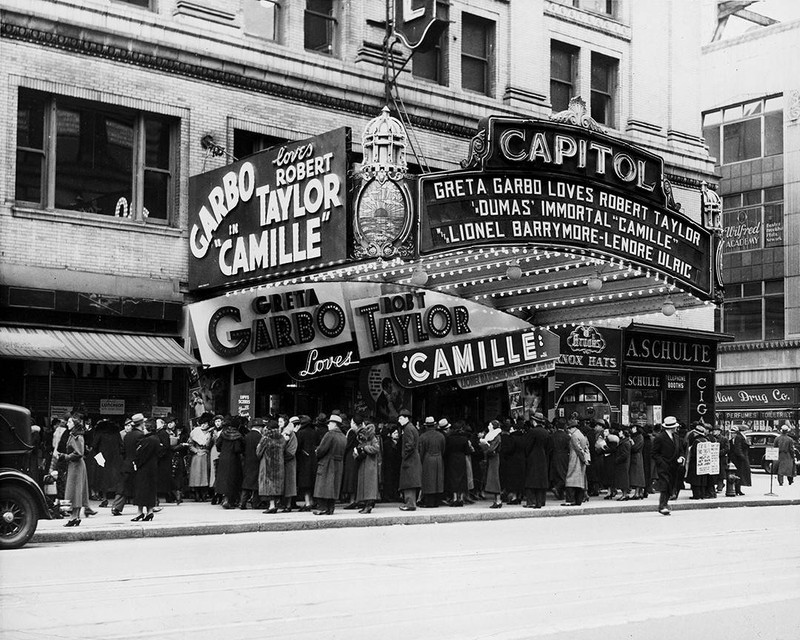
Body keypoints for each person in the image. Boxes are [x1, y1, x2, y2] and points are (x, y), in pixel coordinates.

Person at [62, 416, 96, 526]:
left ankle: (74, 517)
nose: (67, 423)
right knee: (76, 491)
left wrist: (66, 457)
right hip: (75, 466)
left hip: (76, 466)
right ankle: (75, 516)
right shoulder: (74, 435)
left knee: (75, 491)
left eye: (69, 422)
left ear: (74, 424)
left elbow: (79, 453)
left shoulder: (77, 437)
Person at [111, 413, 145, 516]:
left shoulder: (127, 435)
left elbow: (123, 451)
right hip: (136, 464)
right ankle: (150, 505)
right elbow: (141, 452)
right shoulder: (140, 435)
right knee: (141, 485)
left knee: (123, 485)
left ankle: (116, 506)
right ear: (141, 423)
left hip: (126, 463)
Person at [313, 414, 347, 515]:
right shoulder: (343, 436)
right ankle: (330, 508)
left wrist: (316, 452)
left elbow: (321, 450)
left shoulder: (330, 435)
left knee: (323, 486)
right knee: (334, 487)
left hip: (327, 463)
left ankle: (322, 508)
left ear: (334, 424)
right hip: (338, 464)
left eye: (330, 423)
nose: (328, 425)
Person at [651, 416, 686, 515]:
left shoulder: (676, 437)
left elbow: (681, 450)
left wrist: (681, 457)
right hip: (664, 465)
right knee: (665, 484)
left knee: (670, 484)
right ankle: (662, 506)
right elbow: (654, 453)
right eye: (675, 426)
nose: (676, 428)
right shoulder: (660, 438)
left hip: (674, 466)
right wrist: (661, 463)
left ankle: (665, 504)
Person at [131, 418, 163, 521]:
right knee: (150, 490)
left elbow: (141, 455)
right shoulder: (156, 438)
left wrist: (136, 462)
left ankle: (140, 512)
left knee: (141, 490)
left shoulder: (147, 440)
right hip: (153, 467)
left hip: (144, 468)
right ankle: (150, 511)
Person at [524, 412, 551, 508]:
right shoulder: (546, 432)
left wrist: (527, 455)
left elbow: (527, 446)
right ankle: (541, 501)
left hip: (533, 457)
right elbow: (549, 447)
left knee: (531, 480)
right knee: (541, 481)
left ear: (534, 421)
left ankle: (531, 501)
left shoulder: (532, 432)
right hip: (543, 458)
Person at [93, 419, 123, 508]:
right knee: (116, 478)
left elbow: (94, 445)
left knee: (103, 478)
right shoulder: (116, 434)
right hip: (115, 458)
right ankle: (116, 499)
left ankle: (104, 498)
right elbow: (121, 445)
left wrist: (97, 456)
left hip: (102, 458)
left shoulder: (100, 434)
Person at [215, 417, 244, 509]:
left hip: (223, 458)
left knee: (224, 479)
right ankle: (229, 501)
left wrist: (223, 450)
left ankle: (225, 499)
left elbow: (218, 445)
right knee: (232, 480)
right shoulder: (237, 435)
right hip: (234, 460)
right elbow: (238, 449)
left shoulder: (223, 434)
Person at [257, 419, 285, 514]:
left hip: (267, 465)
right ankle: (276, 504)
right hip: (279, 465)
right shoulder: (281, 438)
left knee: (269, 485)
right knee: (276, 485)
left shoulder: (266, 438)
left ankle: (272, 506)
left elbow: (258, 452)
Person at [418, 416, 446, 508]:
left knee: (428, 481)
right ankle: (436, 501)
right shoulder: (441, 436)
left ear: (426, 426)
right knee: (438, 480)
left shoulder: (423, 436)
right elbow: (443, 449)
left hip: (428, 459)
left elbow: (421, 451)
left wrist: (421, 460)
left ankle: (429, 502)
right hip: (438, 458)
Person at [397, 409, 421, 511]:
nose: (399, 420)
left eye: (401, 418)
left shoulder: (408, 429)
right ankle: (410, 503)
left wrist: (404, 455)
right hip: (413, 458)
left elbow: (409, 445)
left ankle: (410, 504)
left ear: (406, 418)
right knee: (410, 481)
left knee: (408, 482)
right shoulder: (412, 428)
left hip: (410, 459)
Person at [354, 422, 381, 513]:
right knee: (365, 486)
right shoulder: (365, 439)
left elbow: (376, 449)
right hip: (364, 464)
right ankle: (366, 504)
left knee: (369, 486)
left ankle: (368, 505)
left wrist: (364, 448)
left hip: (370, 465)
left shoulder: (373, 438)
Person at [444, 418, 472, 507]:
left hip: (452, 459)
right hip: (461, 458)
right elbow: (467, 451)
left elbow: (446, 450)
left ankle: (454, 498)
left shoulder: (449, 438)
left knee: (453, 478)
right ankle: (461, 498)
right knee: (462, 478)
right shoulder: (464, 438)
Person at [563, 419, 590, 506]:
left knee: (570, 479)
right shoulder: (581, 435)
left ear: (571, 428)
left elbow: (578, 449)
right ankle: (579, 500)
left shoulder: (574, 436)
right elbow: (586, 448)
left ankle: (570, 500)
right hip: (581, 461)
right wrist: (586, 459)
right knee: (580, 480)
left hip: (575, 459)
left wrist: (582, 458)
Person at [295, 414, 319, 511]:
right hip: (314, 460)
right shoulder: (315, 432)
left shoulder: (301, 433)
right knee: (312, 482)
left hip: (304, 460)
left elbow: (298, 447)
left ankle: (307, 502)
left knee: (305, 483)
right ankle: (313, 502)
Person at [187, 413, 213, 501]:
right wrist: (196, 451)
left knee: (205, 475)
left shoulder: (210, 433)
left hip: (205, 454)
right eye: (203, 423)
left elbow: (210, 444)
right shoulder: (195, 432)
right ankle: (197, 493)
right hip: (197, 455)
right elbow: (190, 444)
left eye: (206, 423)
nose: (204, 425)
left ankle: (204, 493)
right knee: (197, 475)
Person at [240, 417, 264, 509]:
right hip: (257, 462)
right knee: (256, 483)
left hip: (247, 461)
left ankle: (242, 503)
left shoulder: (247, 436)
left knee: (246, 483)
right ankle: (255, 503)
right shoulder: (260, 437)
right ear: (260, 428)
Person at [480, 421, 503, 508]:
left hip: (494, 458)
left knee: (494, 479)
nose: (488, 426)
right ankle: (496, 500)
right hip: (492, 458)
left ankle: (498, 500)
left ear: (493, 426)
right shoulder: (492, 435)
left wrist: (484, 445)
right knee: (492, 479)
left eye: (490, 425)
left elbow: (491, 448)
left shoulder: (496, 436)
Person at [281, 415, 299, 512]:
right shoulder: (281, 433)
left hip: (289, 462)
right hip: (282, 462)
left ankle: (288, 505)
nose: (279, 424)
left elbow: (292, 450)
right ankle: (284, 504)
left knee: (289, 484)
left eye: (281, 422)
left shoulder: (291, 435)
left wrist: (282, 456)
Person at [549, 420, 570, 501]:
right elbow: (569, 447)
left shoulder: (552, 436)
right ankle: (557, 488)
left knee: (556, 475)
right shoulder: (567, 436)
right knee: (564, 475)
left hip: (554, 456)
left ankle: (559, 493)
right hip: (564, 457)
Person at [728, 425, 751, 495]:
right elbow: (738, 449)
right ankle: (737, 489)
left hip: (739, 458)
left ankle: (738, 489)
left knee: (740, 474)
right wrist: (742, 457)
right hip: (739, 459)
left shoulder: (739, 437)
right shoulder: (739, 437)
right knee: (739, 474)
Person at [628, 424, 646, 499]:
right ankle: (638, 492)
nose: (632, 429)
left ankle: (637, 493)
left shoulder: (639, 437)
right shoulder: (636, 436)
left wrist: (631, 443)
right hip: (635, 457)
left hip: (637, 457)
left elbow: (635, 448)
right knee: (635, 475)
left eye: (633, 428)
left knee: (637, 475)